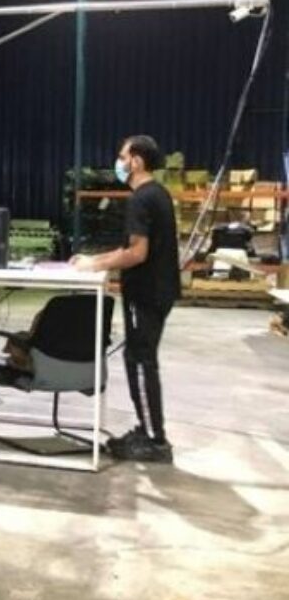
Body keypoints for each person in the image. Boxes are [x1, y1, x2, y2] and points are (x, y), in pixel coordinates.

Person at [72, 135, 180, 463]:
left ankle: (155, 441)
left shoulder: (141, 200)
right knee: (137, 358)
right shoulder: (156, 194)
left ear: (137, 161)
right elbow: (130, 248)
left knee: (140, 360)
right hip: (157, 291)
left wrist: (93, 265)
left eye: (122, 157)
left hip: (146, 293)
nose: (118, 163)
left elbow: (136, 253)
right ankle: (146, 430)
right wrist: (96, 260)